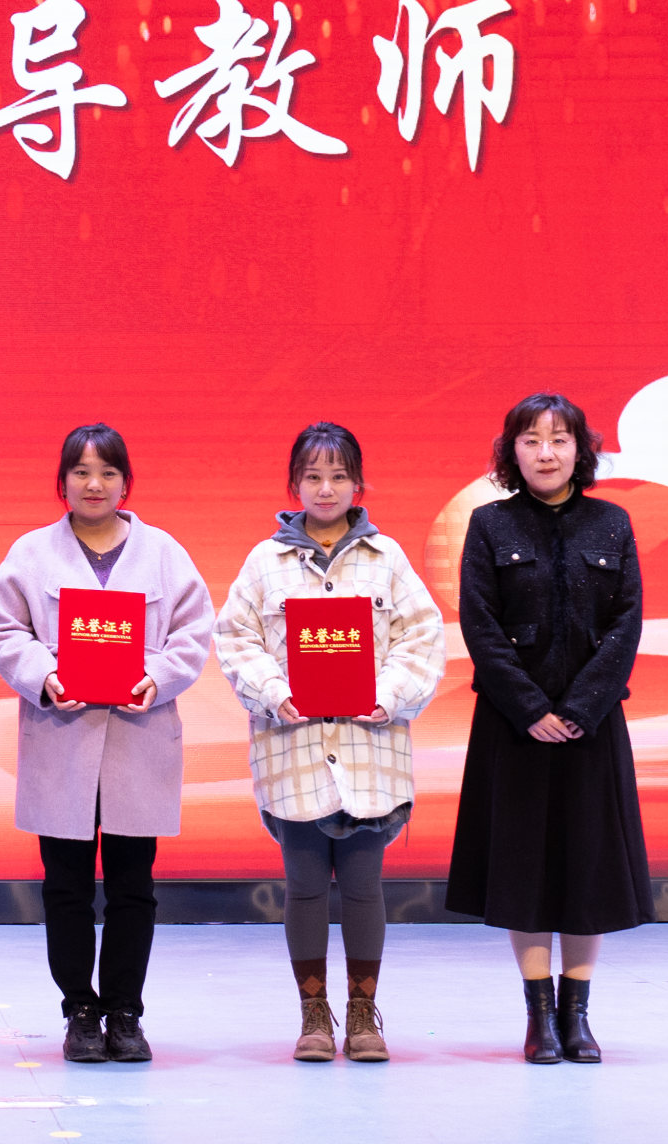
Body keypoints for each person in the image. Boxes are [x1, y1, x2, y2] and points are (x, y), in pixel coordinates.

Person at [0, 423, 216, 1064]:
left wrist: (157, 677)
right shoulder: (31, 553)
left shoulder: (163, 552)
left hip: (140, 735)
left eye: (108, 472)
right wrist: (45, 677)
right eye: (81, 472)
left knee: (134, 886)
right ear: (61, 482)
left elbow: (195, 630)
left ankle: (125, 1011)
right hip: (63, 735)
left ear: (126, 483)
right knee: (67, 887)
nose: (94, 484)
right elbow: (3, 631)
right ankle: (80, 1010)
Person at [215, 422, 444, 1063]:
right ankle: (314, 1015)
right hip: (294, 746)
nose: (326, 488)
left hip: (370, 747)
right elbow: (235, 638)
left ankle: (363, 1014)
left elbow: (422, 636)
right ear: (294, 484)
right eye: (313, 477)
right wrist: (273, 691)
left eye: (339, 476)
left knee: (365, 886)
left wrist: (387, 694)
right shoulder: (264, 563)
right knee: (306, 885)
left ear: (358, 484)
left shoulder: (387, 558)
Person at [445, 393, 650, 1064]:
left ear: (580, 451)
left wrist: (581, 709)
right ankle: (539, 1016)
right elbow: (479, 623)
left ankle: (577, 1016)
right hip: (515, 727)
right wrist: (530, 709)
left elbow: (625, 624)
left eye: (559, 440)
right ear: (512, 451)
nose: (546, 452)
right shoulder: (490, 524)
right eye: (531, 440)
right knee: (524, 872)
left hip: (592, 727)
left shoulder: (613, 523)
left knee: (588, 869)